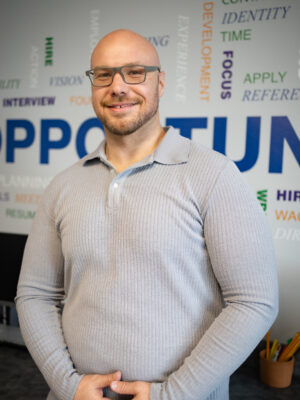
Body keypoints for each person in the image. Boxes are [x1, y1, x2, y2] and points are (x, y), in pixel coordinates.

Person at [16, 29, 278, 400]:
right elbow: (34, 294)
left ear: (161, 82)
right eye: (103, 75)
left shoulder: (213, 174)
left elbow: (254, 302)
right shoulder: (63, 185)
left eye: (135, 72)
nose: (118, 87)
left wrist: (172, 394)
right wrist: (67, 384)